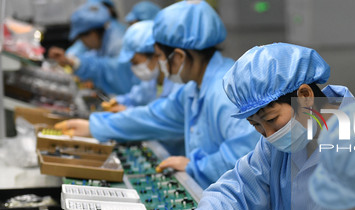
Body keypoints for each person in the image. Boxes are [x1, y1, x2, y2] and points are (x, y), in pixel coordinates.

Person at [177, 43, 354, 210]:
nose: (268, 135)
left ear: (304, 96)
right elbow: (240, 189)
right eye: (256, 125)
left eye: (271, 119)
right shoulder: (278, 145)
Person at [55, 1, 260, 184]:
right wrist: (95, 125)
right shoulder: (194, 88)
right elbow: (155, 116)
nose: (160, 64)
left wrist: (196, 166)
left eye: (160, 56)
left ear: (178, 57)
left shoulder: (227, 91)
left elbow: (247, 156)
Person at [48, 2, 137, 95]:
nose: (83, 43)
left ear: (92, 33)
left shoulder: (118, 43)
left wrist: (74, 62)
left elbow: (112, 70)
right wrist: (69, 59)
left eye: (82, 38)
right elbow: (81, 50)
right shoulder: (104, 35)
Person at [101, 20, 181, 113]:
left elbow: (164, 116)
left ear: (156, 55)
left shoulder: (177, 85)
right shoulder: (152, 82)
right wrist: (116, 101)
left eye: (135, 62)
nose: (133, 68)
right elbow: (136, 97)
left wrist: (129, 112)